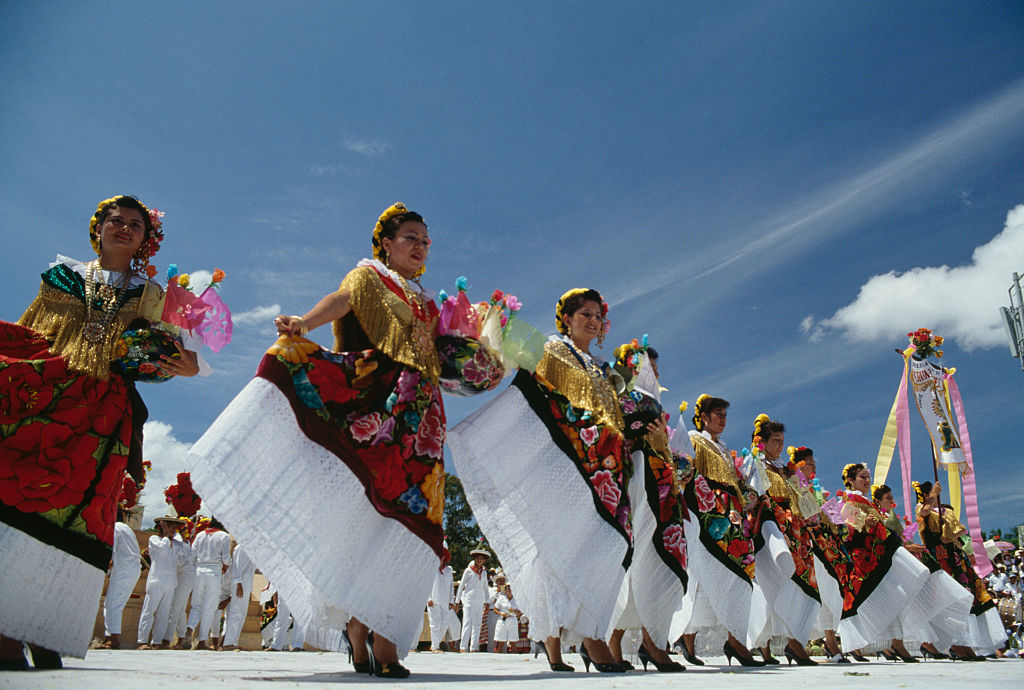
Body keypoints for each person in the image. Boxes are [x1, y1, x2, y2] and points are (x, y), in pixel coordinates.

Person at [188, 203, 454, 679]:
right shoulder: (369, 277)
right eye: (410, 236)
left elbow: (448, 352)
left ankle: (387, 636)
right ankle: (358, 623)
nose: (420, 245)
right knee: (366, 511)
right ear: (386, 244)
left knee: (412, 515)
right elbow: (340, 301)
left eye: (425, 239)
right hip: (378, 401)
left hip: (424, 416)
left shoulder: (430, 303)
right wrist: (303, 325)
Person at [0, 196, 201, 670]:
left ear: (146, 240)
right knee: (23, 501)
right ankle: (8, 627)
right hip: (52, 400)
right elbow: (31, 332)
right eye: (117, 220)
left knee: (84, 516)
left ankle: (47, 626)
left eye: (136, 224)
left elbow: (173, 352)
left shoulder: (154, 294)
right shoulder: (63, 276)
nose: (125, 228)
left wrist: (188, 367)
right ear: (98, 228)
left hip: (106, 414)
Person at [449, 288, 634, 673]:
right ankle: (570, 644)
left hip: (605, 476)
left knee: (599, 549)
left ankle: (586, 634)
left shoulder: (602, 370)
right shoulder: (553, 350)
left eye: (597, 316)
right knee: (555, 549)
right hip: (561, 468)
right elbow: (513, 348)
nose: (592, 320)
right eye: (583, 313)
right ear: (566, 318)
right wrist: (493, 319)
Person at [606, 341, 685, 672]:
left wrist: (665, 447)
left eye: (656, 369)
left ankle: (652, 642)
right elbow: (609, 431)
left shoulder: (655, 407)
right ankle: (619, 642)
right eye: (646, 367)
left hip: (661, 486)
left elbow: (675, 457)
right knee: (635, 556)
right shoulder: (617, 393)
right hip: (635, 481)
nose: (653, 374)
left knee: (656, 559)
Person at [670, 395, 765, 667]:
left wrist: (748, 493)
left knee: (741, 573)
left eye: (725, 414)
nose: (723, 418)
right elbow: (682, 467)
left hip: (732, 515)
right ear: (703, 417)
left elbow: (735, 482)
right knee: (702, 574)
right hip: (706, 511)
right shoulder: (693, 438)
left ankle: (736, 640)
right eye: (718, 413)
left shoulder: (723, 448)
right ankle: (689, 638)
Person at [745, 415, 819, 666]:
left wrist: (813, 516)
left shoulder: (787, 470)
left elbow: (809, 506)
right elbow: (755, 497)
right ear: (762, 442)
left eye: (782, 440)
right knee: (771, 584)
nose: (780, 444)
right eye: (776, 440)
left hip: (795, 534)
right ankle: (772, 645)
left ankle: (792, 641)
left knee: (796, 585)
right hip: (771, 533)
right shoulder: (755, 464)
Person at [836, 464, 928, 656]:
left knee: (892, 596)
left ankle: (895, 642)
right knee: (866, 598)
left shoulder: (865, 501)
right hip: (865, 558)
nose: (867, 481)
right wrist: (862, 522)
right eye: (862, 477)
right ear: (851, 480)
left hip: (881, 553)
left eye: (868, 477)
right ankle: (858, 644)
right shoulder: (848, 499)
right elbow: (844, 523)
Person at [873, 484, 971, 659]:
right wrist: (907, 546)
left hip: (908, 556)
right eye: (888, 498)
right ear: (878, 501)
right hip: (892, 560)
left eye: (891, 497)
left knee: (919, 600)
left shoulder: (889, 516)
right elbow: (883, 540)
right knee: (907, 600)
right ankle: (900, 644)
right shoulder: (877, 515)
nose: (892, 501)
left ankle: (928, 642)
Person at [915, 480, 1007, 657]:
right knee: (950, 597)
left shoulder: (945, 510)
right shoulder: (922, 508)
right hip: (939, 558)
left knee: (970, 595)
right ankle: (953, 643)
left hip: (955, 556)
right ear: (926, 494)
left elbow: (959, 529)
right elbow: (924, 514)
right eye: (931, 493)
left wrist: (952, 537)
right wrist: (932, 496)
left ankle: (967, 642)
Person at [137, 509, 186, 649]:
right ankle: (142, 641)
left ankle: (157, 641)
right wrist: (165, 536)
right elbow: (163, 550)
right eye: (170, 526)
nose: (173, 529)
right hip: (157, 580)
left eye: (174, 527)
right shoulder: (154, 540)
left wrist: (181, 539)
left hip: (170, 582)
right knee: (149, 611)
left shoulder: (177, 544)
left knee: (164, 614)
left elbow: (182, 560)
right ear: (162, 526)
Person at [101, 506, 143, 650]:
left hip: (123, 570)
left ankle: (114, 639)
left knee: (113, 604)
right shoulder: (126, 529)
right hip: (130, 569)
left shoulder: (116, 528)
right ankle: (109, 636)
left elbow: (111, 549)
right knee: (111, 603)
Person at [189, 517, 232, 650]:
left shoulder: (200, 535)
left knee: (196, 606)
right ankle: (202, 640)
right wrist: (228, 564)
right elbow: (226, 558)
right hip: (214, 573)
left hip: (199, 571)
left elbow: (192, 555)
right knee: (209, 608)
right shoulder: (224, 536)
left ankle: (188, 630)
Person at [222, 543, 257, 650]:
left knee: (241, 614)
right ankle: (228, 642)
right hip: (239, 584)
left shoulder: (251, 549)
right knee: (236, 613)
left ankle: (234, 641)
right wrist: (238, 583)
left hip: (246, 584)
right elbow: (237, 567)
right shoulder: (241, 548)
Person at [455, 549, 490, 652]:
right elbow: (461, 587)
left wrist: (487, 601)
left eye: (482, 559)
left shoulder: (484, 572)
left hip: (479, 601)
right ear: (474, 559)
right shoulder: (468, 570)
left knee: (477, 625)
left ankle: (474, 647)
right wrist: (457, 602)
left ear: (484, 561)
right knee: (467, 623)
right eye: (478, 558)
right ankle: (463, 647)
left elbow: (486, 588)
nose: (479, 560)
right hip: (469, 600)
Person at [427, 555, 455, 652]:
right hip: (433, 600)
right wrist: (428, 598)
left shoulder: (448, 570)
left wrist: (451, 600)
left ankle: (434, 644)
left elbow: (451, 586)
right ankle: (435, 647)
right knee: (435, 624)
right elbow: (426, 584)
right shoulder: (430, 569)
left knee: (445, 623)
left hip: (445, 601)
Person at [491, 583, 520, 653]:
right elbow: (495, 609)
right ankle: (497, 660)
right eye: (507, 588)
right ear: (505, 590)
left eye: (510, 588)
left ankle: (515, 661)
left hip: (512, 619)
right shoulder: (501, 598)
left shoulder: (517, 599)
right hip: (502, 619)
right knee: (500, 642)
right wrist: (501, 613)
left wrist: (514, 611)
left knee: (513, 642)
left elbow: (520, 612)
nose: (509, 589)